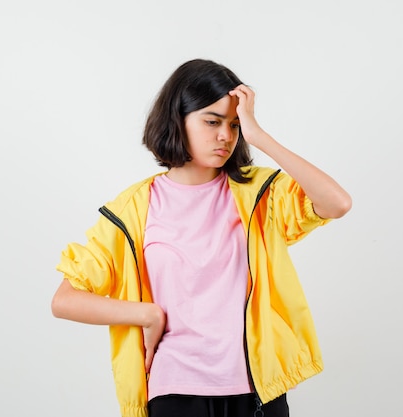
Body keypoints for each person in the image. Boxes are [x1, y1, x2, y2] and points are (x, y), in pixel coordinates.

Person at [51, 58, 352, 417]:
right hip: (175, 392)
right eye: (212, 121)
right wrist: (147, 314)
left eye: (235, 125)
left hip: (258, 391)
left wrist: (260, 137)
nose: (225, 135)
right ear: (177, 120)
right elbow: (65, 300)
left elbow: (337, 203)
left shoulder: (257, 195)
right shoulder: (133, 209)